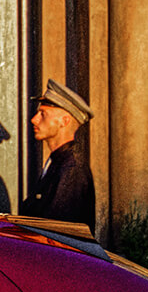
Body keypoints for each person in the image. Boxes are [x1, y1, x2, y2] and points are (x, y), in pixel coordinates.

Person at [18, 79, 96, 229]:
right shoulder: (58, 162)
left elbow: (54, 230)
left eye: (43, 113)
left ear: (64, 121)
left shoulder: (71, 168)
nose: (34, 120)